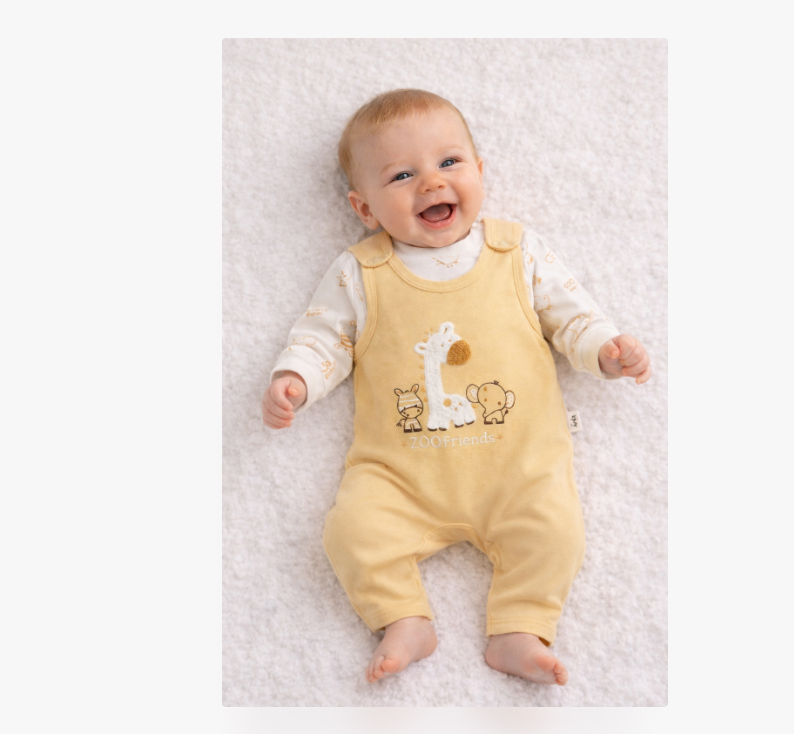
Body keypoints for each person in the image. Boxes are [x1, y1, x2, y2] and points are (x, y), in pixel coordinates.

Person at [262, 89, 651, 686]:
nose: (431, 182)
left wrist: (605, 349)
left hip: (519, 470)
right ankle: (403, 618)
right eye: (402, 175)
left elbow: (570, 316)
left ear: (479, 172)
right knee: (351, 532)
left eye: (449, 162)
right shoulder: (361, 271)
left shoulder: (515, 251)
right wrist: (296, 379)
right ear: (364, 208)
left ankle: (520, 628)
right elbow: (323, 338)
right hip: (400, 478)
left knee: (555, 531)